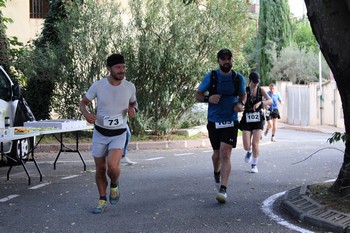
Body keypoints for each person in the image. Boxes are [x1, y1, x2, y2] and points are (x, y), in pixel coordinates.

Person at [79, 53, 137, 214]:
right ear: (109, 68)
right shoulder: (98, 85)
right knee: (100, 169)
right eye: (118, 67)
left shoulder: (130, 86)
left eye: (123, 67)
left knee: (112, 165)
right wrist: (86, 114)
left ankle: (115, 184)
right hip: (100, 133)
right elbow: (83, 103)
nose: (122, 70)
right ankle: (102, 199)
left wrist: (133, 109)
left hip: (119, 133)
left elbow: (133, 102)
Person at [195, 48, 246, 204]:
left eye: (229, 58)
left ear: (231, 60)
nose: (226, 61)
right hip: (214, 120)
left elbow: (243, 95)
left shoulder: (238, 78)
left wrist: (240, 104)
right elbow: (198, 95)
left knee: (225, 153)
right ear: (218, 61)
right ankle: (216, 171)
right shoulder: (212, 76)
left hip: (230, 120)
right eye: (223, 59)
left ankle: (223, 189)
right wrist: (208, 98)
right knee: (217, 155)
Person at [239, 71, 272, 173]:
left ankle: (254, 165)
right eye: (254, 82)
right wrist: (241, 105)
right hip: (247, 118)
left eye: (257, 82)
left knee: (255, 144)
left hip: (258, 118)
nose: (256, 84)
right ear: (250, 81)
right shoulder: (245, 90)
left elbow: (270, 101)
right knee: (246, 145)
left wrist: (261, 103)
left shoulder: (261, 90)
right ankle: (248, 151)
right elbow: (240, 102)